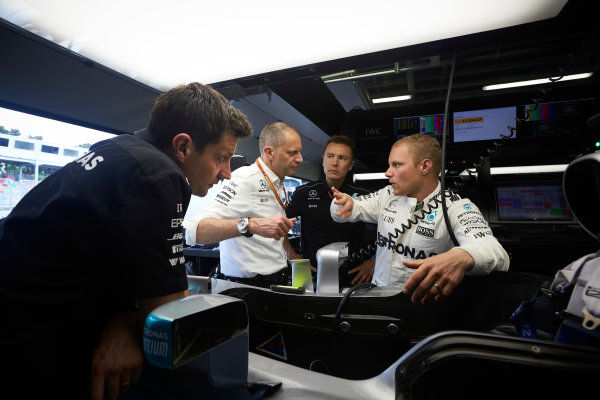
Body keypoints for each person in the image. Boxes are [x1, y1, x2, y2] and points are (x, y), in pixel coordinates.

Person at [0, 82, 253, 399]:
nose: (227, 173)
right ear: (183, 147)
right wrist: (138, 316)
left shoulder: (118, 149)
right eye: (222, 157)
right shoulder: (161, 174)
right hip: (31, 338)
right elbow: (169, 311)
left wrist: (124, 319)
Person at [331, 133, 509, 304]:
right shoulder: (386, 196)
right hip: (378, 300)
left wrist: (462, 256)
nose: (387, 173)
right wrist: (343, 204)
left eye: (396, 165)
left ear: (424, 167)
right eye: (389, 165)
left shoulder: (456, 207)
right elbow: (348, 210)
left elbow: (497, 255)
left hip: (423, 309)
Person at [183, 121, 302, 288]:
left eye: (300, 152)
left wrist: (291, 254)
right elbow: (193, 231)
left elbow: (275, 227)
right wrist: (251, 225)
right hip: (248, 288)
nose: (300, 158)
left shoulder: (277, 182)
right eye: (292, 153)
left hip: (277, 280)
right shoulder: (245, 180)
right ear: (269, 152)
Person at [285, 135, 376, 287]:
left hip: (353, 276)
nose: (334, 162)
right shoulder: (303, 193)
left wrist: (374, 262)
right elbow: (279, 225)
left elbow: (388, 231)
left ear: (351, 165)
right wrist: (291, 254)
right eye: (330, 156)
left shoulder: (363, 196)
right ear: (323, 160)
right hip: (310, 273)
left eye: (342, 158)